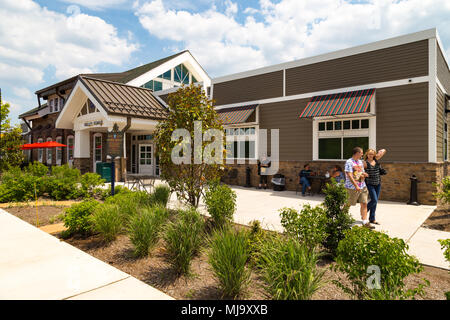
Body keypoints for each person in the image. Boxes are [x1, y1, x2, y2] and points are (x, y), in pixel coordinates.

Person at [344, 147, 374, 229]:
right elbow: (349, 175)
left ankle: (365, 221)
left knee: (364, 203)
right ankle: (342, 218)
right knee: (348, 203)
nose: (362, 154)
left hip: (362, 186)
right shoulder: (349, 162)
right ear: (357, 153)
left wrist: (364, 174)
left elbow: (361, 171)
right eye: (361, 153)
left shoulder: (360, 162)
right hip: (352, 187)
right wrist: (356, 185)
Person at [363, 148, 387, 225]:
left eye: (372, 154)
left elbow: (384, 150)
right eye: (369, 154)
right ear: (367, 154)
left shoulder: (375, 160)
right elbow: (360, 171)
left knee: (375, 202)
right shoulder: (365, 162)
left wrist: (379, 152)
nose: (371, 155)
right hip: (370, 183)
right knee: (374, 200)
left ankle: (372, 219)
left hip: (378, 183)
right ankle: (364, 212)